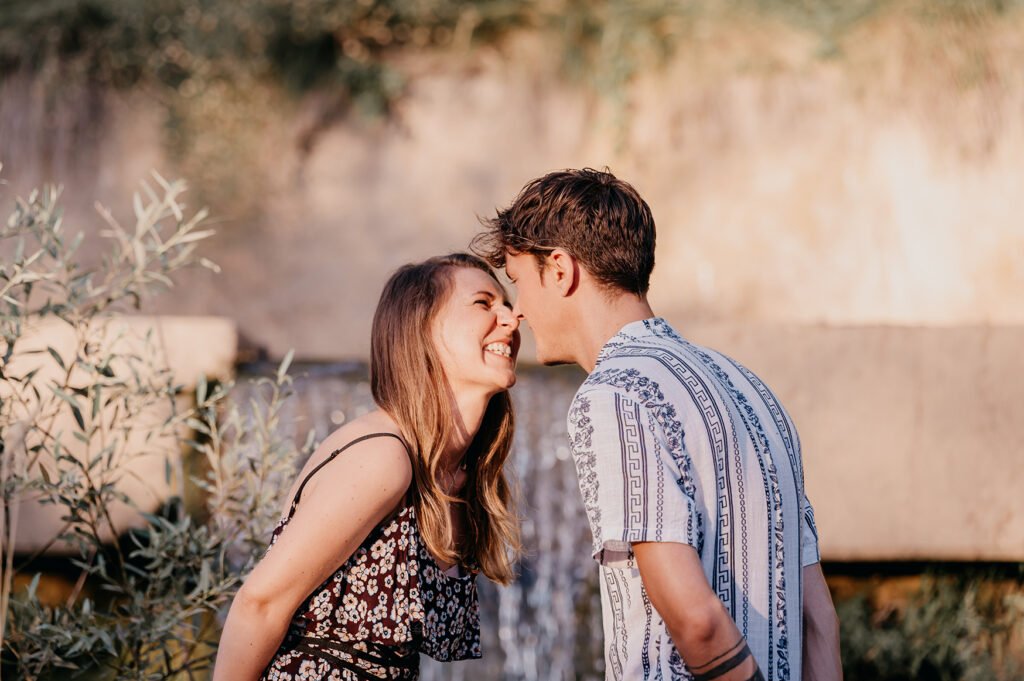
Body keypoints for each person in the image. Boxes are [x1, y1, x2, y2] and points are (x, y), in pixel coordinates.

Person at [472, 169, 842, 681]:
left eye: (518, 283)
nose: (520, 313)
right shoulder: (753, 389)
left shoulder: (613, 394)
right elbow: (817, 617)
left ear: (560, 269)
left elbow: (695, 620)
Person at [213, 253, 522, 680]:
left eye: (506, 304)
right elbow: (259, 604)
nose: (511, 318)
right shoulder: (383, 457)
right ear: (423, 329)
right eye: (484, 304)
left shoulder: (458, 475)